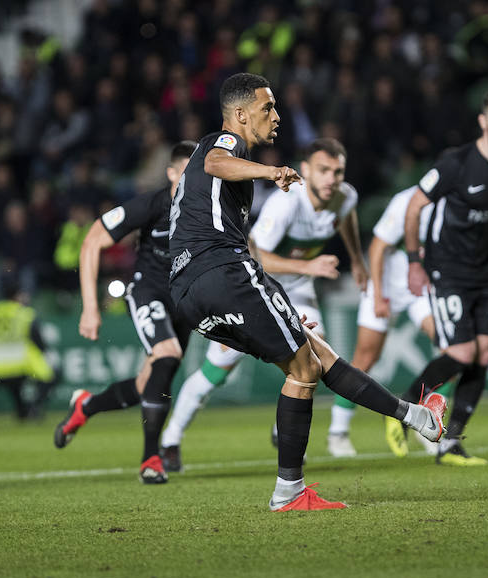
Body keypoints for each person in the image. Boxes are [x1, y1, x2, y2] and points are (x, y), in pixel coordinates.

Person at [168, 72, 446, 511]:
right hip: (221, 270)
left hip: (188, 289)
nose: (276, 117)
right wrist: (270, 171)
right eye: (267, 109)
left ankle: (419, 418)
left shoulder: (322, 196)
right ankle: (288, 493)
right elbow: (213, 164)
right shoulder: (223, 144)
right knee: (304, 369)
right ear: (240, 115)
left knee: (314, 354)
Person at [159, 137, 368, 469]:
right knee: (217, 371)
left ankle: (283, 427)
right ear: (307, 171)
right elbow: (256, 256)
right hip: (253, 289)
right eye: (324, 171)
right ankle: (170, 439)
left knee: (316, 355)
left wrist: (357, 259)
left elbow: (347, 219)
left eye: (338, 172)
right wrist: (308, 267)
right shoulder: (286, 204)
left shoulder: (345, 197)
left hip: (297, 293)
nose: (332, 179)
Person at [395, 89, 488, 466]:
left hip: (484, 274)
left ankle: (451, 443)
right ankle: (404, 404)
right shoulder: (456, 164)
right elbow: (414, 208)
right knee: (461, 353)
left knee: (484, 353)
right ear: (483, 121)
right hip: (447, 271)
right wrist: (414, 262)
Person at [53, 141, 196, 485]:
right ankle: (151, 459)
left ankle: (85, 407)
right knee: (167, 354)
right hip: (148, 290)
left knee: (147, 384)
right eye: (192, 172)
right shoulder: (152, 204)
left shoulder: (211, 210)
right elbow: (92, 241)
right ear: (172, 173)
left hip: (184, 302)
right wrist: (90, 308)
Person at [327, 185, 453, 458]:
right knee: (365, 358)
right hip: (387, 283)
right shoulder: (408, 200)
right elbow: (378, 246)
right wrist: (379, 296)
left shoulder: (457, 204)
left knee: (451, 351)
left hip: (421, 286)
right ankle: (338, 433)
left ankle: (428, 423)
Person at [0, 281, 57, 420]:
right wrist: (47, 353)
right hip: (17, 361)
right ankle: (34, 408)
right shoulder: (23, 313)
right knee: (52, 375)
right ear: (17, 296)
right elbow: (36, 337)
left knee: (14, 383)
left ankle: (22, 411)